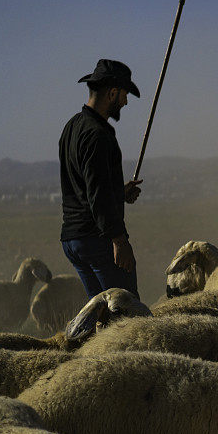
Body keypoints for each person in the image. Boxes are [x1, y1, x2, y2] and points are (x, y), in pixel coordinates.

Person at [59, 59, 143, 299]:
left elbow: (84, 186)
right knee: (126, 314)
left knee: (102, 317)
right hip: (98, 239)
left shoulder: (72, 127)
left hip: (73, 240)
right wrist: (119, 240)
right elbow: (97, 194)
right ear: (113, 92)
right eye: (125, 94)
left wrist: (119, 192)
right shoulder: (97, 135)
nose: (126, 101)